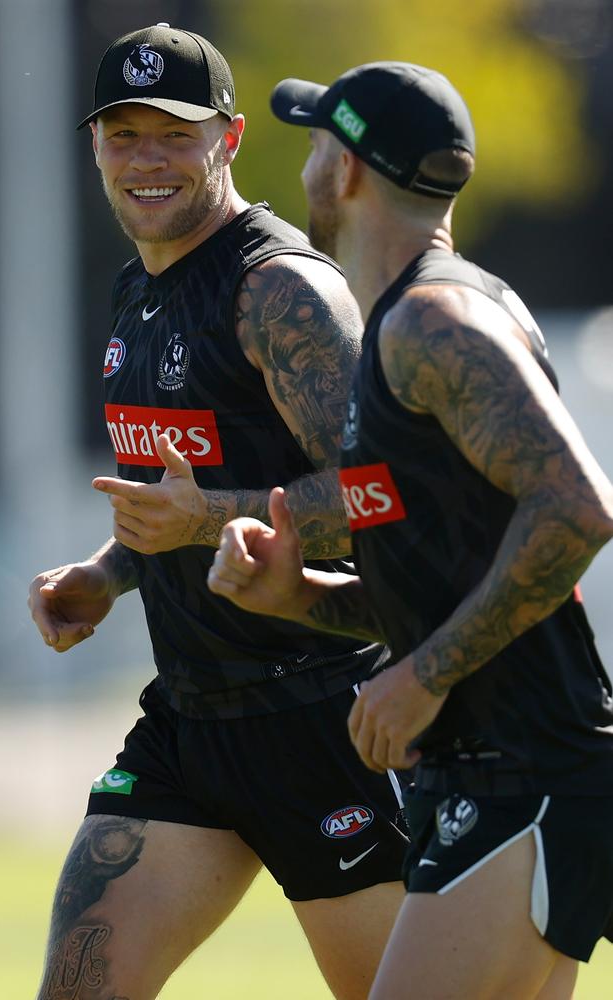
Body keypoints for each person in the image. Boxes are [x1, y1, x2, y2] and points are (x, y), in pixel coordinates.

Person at [207, 61, 613, 999]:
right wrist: (298, 595)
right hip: (503, 772)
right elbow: (449, 585)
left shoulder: (432, 320)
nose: (306, 166)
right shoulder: (415, 320)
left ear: (345, 171)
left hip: (522, 771)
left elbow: (580, 507)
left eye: (316, 143)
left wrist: (423, 677)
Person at [27, 24, 410, 1000]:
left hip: (325, 718)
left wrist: (204, 525)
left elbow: (386, 501)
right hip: (191, 722)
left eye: (174, 133)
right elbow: (176, 499)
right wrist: (108, 573)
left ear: (230, 138)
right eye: (123, 134)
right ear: (96, 146)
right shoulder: (137, 290)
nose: (145, 159)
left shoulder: (279, 291)